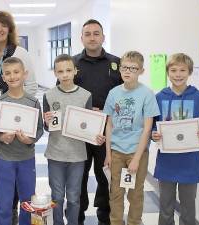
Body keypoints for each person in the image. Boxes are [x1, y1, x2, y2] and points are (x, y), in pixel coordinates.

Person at [0, 11, 38, 223]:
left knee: (20, 170)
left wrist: (23, 112)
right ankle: (8, 210)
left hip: (19, 118)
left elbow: (31, 86)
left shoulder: (20, 52)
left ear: (10, 29)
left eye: (3, 25)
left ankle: (20, 211)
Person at [43, 54, 106, 225]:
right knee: (56, 197)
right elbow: (47, 127)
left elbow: (88, 127)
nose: (65, 74)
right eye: (60, 71)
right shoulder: (48, 95)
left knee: (73, 197)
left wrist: (96, 136)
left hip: (77, 155)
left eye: (69, 70)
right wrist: (46, 122)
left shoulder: (85, 95)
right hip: (55, 153)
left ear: (75, 71)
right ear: (55, 73)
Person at [151, 53, 199, 225]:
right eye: (173, 70)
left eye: (182, 70)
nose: (178, 74)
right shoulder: (159, 97)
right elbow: (153, 125)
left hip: (190, 162)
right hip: (166, 162)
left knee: (188, 207)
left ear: (190, 72)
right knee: (165, 205)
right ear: (167, 72)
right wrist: (153, 134)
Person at [73, 19, 123, 225]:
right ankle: (78, 217)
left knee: (105, 177)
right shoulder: (73, 63)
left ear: (103, 37)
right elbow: (63, 94)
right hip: (80, 131)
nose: (92, 37)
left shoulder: (117, 63)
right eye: (88, 34)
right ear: (81, 38)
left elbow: (125, 95)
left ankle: (105, 217)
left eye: (96, 33)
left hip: (107, 132)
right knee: (79, 177)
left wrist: (111, 110)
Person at [103, 51, 160, 225]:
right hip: (116, 151)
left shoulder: (147, 94)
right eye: (125, 67)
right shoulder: (113, 93)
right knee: (116, 193)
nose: (128, 72)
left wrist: (136, 158)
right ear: (120, 69)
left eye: (133, 68)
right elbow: (109, 125)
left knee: (135, 194)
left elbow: (147, 129)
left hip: (138, 152)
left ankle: (135, 222)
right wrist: (108, 154)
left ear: (141, 71)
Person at [0, 57, 43, 225]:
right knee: (4, 203)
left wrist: (30, 139)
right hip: (4, 159)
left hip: (26, 158)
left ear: (24, 74)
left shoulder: (33, 102)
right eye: (8, 73)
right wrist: (1, 137)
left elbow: (40, 129)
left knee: (27, 202)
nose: (12, 76)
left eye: (16, 72)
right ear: (3, 77)